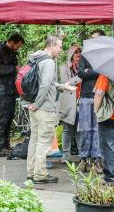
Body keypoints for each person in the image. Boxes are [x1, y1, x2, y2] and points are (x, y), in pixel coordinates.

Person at [26, 35, 76, 184]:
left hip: (34, 108)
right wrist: (38, 103)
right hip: (44, 108)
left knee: (34, 140)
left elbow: (47, 83)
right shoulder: (48, 62)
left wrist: (62, 86)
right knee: (43, 142)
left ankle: (31, 171)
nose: (61, 50)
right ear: (51, 45)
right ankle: (40, 174)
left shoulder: (36, 58)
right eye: (59, 46)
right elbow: (45, 85)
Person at [0, 33, 24, 157]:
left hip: (10, 91)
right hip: (2, 91)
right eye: (18, 46)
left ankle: (6, 145)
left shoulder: (11, 52)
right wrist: (13, 69)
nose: (18, 48)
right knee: (1, 120)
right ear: (11, 42)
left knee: (9, 119)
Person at [76, 29, 104, 172]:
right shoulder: (85, 55)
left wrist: (90, 71)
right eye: (91, 38)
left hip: (100, 96)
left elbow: (104, 71)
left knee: (97, 130)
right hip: (86, 97)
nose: (91, 40)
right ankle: (83, 159)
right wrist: (94, 71)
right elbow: (80, 72)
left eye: (94, 38)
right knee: (85, 129)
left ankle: (96, 160)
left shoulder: (105, 55)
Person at [58, 43, 82, 163]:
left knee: (79, 129)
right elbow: (65, 83)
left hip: (80, 102)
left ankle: (82, 155)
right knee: (67, 130)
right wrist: (80, 77)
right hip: (68, 103)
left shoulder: (84, 67)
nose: (78, 54)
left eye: (80, 52)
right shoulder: (64, 68)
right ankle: (65, 155)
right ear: (71, 55)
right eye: (76, 52)